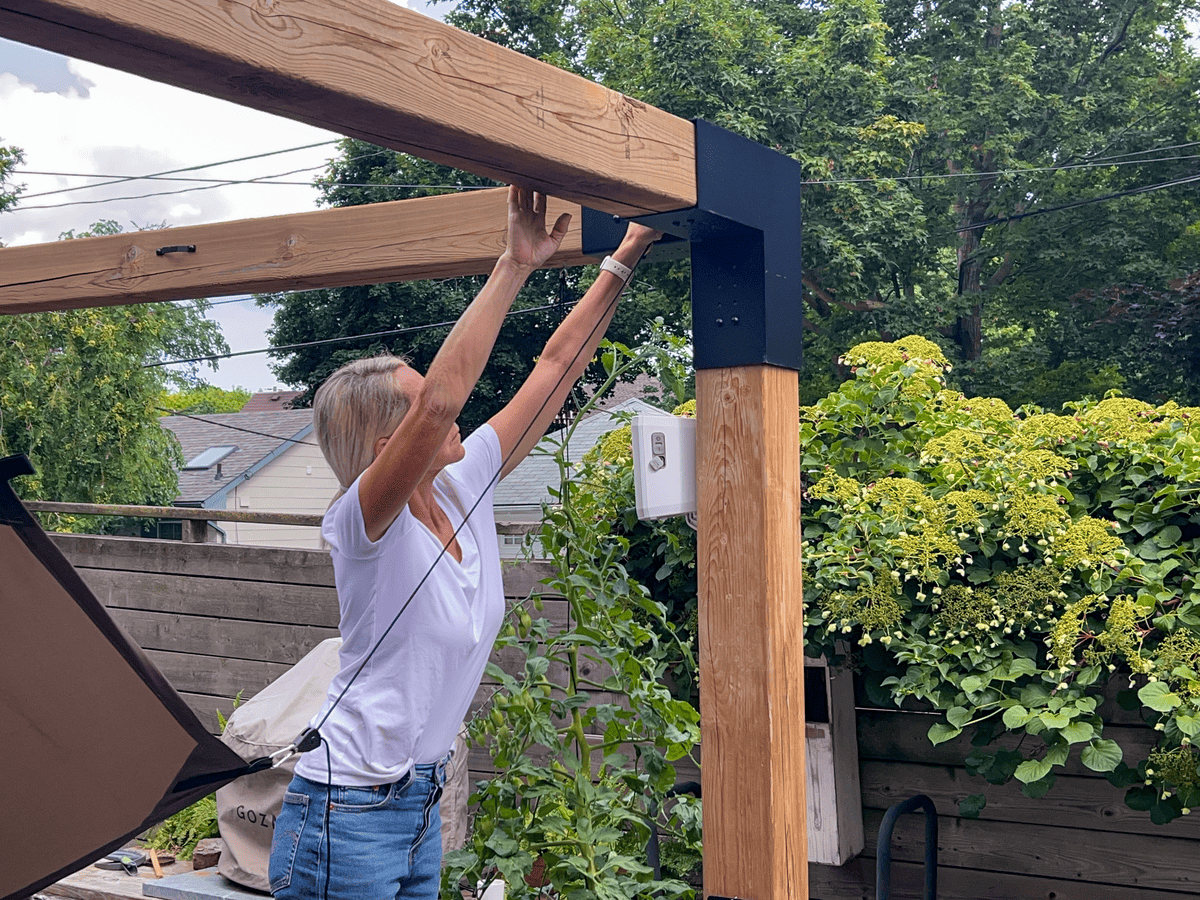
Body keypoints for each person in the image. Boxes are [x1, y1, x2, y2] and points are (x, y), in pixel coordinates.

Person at [267, 185, 661, 900]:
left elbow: (554, 372)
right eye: (422, 405)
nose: (449, 407)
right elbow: (445, 397)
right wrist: (513, 264)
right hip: (345, 811)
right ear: (392, 445)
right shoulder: (360, 525)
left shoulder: (463, 480)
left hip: (417, 798)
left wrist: (625, 254)